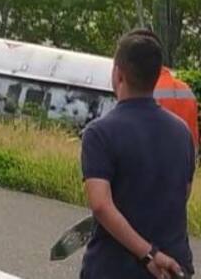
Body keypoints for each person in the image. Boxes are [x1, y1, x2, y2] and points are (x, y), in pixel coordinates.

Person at [81, 30, 194, 278]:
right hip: (174, 265)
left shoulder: (98, 133)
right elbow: (181, 193)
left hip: (116, 268)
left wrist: (149, 253)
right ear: (155, 77)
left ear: (118, 74)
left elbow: (100, 205)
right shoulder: (182, 132)